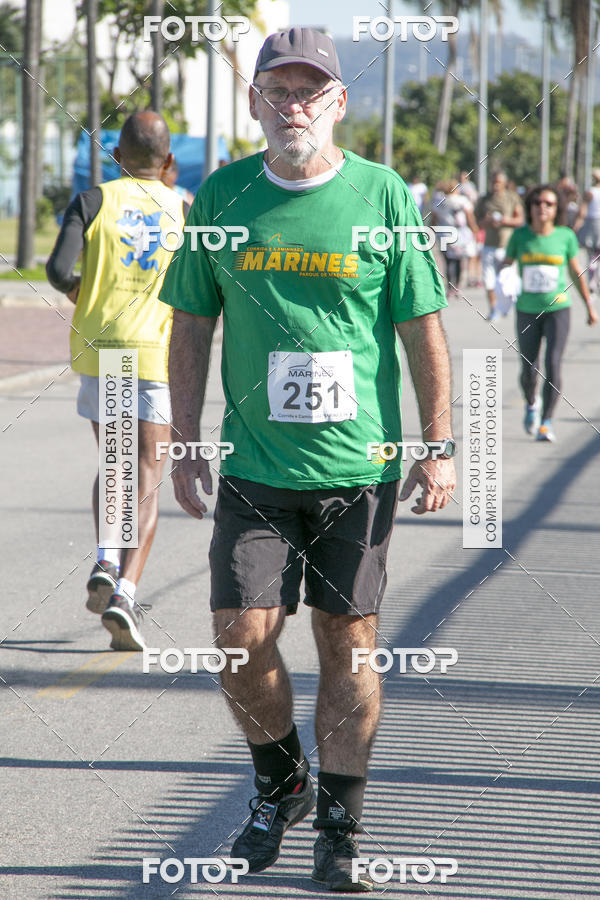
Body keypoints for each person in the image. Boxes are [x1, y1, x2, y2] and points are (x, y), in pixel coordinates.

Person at [159, 25, 456, 894]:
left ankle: (341, 827)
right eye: (278, 91)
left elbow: (420, 330)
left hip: (357, 470)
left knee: (347, 641)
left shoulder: (383, 195)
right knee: (237, 637)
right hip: (255, 467)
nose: (294, 106)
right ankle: (281, 780)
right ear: (254, 102)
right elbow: (190, 325)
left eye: (309, 91)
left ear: (339, 103)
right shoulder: (220, 198)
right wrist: (184, 441)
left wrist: (439, 447)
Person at [46, 111, 187, 650]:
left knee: (116, 463)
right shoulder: (186, 209)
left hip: (102, 351)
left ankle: (105, 557)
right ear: (168, 162)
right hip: (156, 354)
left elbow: (58, 271)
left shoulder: (93, 201)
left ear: (116, 156)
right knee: (148, 477)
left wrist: (83, 291)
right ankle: (125, 593)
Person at [504, 184, 597, 442]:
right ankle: (531, 403)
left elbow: (575, 273)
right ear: (530, 207)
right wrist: (503, 288)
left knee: (553, 365)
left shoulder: (565, 236)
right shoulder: (520, 236)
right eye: (538, 203)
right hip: (527, 310)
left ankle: (546, 421)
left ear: (557, 209)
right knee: (528, 368)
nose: (543, 208)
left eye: (549, 204)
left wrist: (589, 306)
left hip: (558, 309)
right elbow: (506, 266)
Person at [475, 171, 524, 320]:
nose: (496, 185)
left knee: (507, 280)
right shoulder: (484, 199)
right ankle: (493, 309)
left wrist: (504, 220)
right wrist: (488, 222)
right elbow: (477, 222)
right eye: (493, 182)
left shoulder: (511, 197)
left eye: (499, 182)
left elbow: (519, 220)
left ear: (504, 183)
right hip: (489, 245)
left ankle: (507, 307)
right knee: (488, 280)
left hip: (506, 246)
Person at [430, 178, 478, 296]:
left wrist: (431, 231)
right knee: (458, 260)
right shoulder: (463, 201)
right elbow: (469, 217)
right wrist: (475, 229)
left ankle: (450, 285)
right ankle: (456, 285)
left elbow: (434, 219)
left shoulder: (439, 201)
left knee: (448, 260)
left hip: (444, 233)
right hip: (459, 233)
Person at [573, 167, 600, 293]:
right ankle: (594, 280)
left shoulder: (590, 192)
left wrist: (576, 226)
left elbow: (582, 212)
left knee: (592, 256)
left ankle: (593, 280)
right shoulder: (591, 192)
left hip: (593, 224)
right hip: (594, 224)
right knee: (595, 254)